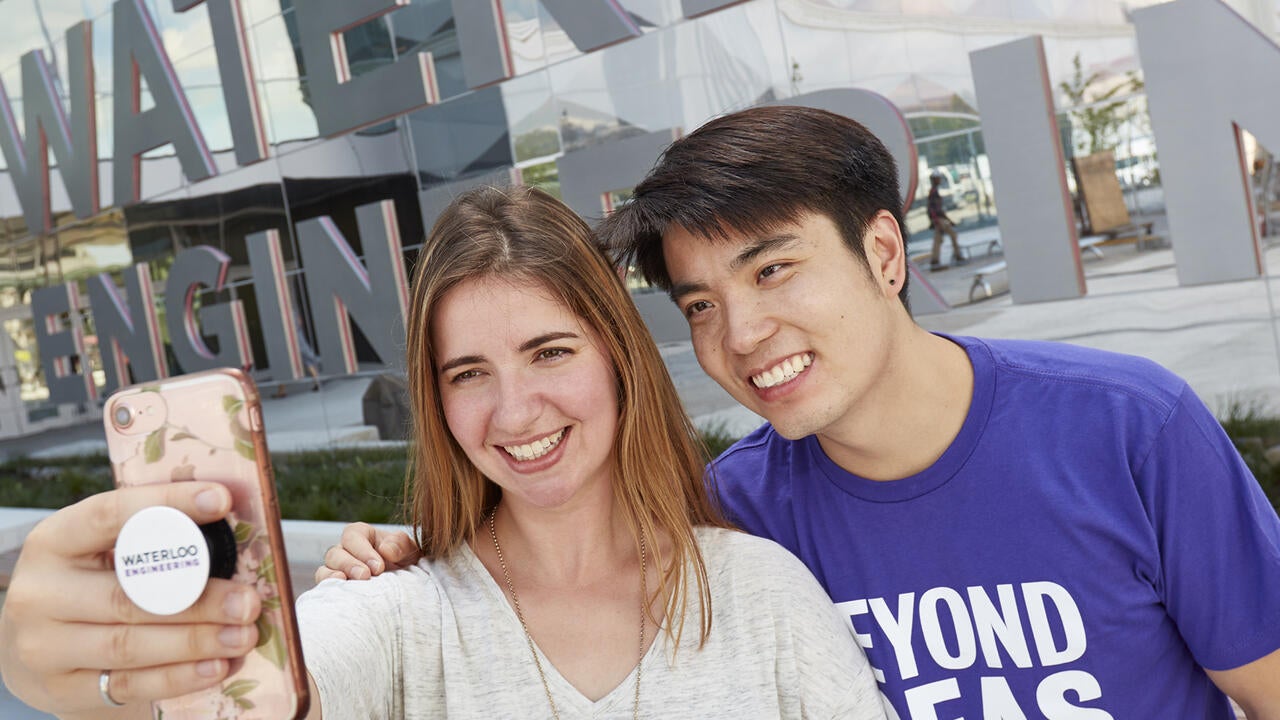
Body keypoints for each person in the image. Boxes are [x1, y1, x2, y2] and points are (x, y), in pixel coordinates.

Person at [323, 107, 1280, 718]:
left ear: (885, 254)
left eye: (774, 268)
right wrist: (406, 558)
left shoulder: (1125, 431)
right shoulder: (738, 510)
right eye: (699, 304)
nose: (741, 333)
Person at [0, 185, 888, 719]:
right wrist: (85, 678)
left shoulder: (759, 591)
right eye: (468, 372)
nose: (514, 410)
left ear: (618, 355)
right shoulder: (395, 612)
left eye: (549, 352)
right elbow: (275, 693)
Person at [926, 171, 964, 271]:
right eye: (938, 178)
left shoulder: (934, 191)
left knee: (939, 239)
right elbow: (932, 209)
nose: (939, 180)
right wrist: (936, 220)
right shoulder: (933, 192)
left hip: (939, 219)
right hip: (939, 220)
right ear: (934, 180)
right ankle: (956, 256)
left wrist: (948, 220)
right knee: (950, 235)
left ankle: (936, 261)